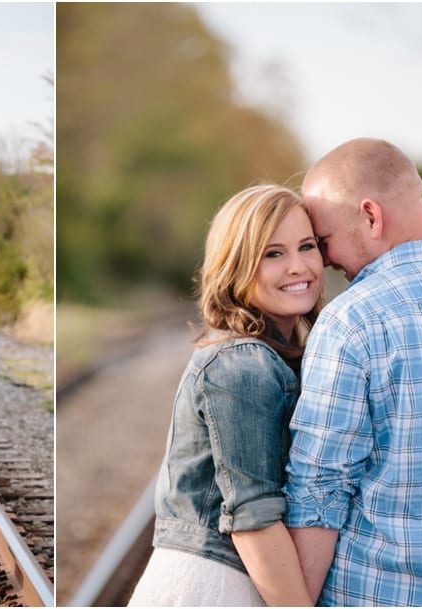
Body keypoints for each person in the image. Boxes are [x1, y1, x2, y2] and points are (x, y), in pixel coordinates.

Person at [128, 184, 323, 606]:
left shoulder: (272, 356)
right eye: (273, 253)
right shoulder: (242, 364)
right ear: (235, 265)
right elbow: (254, 521)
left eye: (306, 246)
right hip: (210, 586)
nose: (298, 266)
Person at [283, 137, 422, 606]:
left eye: (322, 242)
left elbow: (319, 492)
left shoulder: (353, 321)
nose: (323, 261)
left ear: (371, 216)